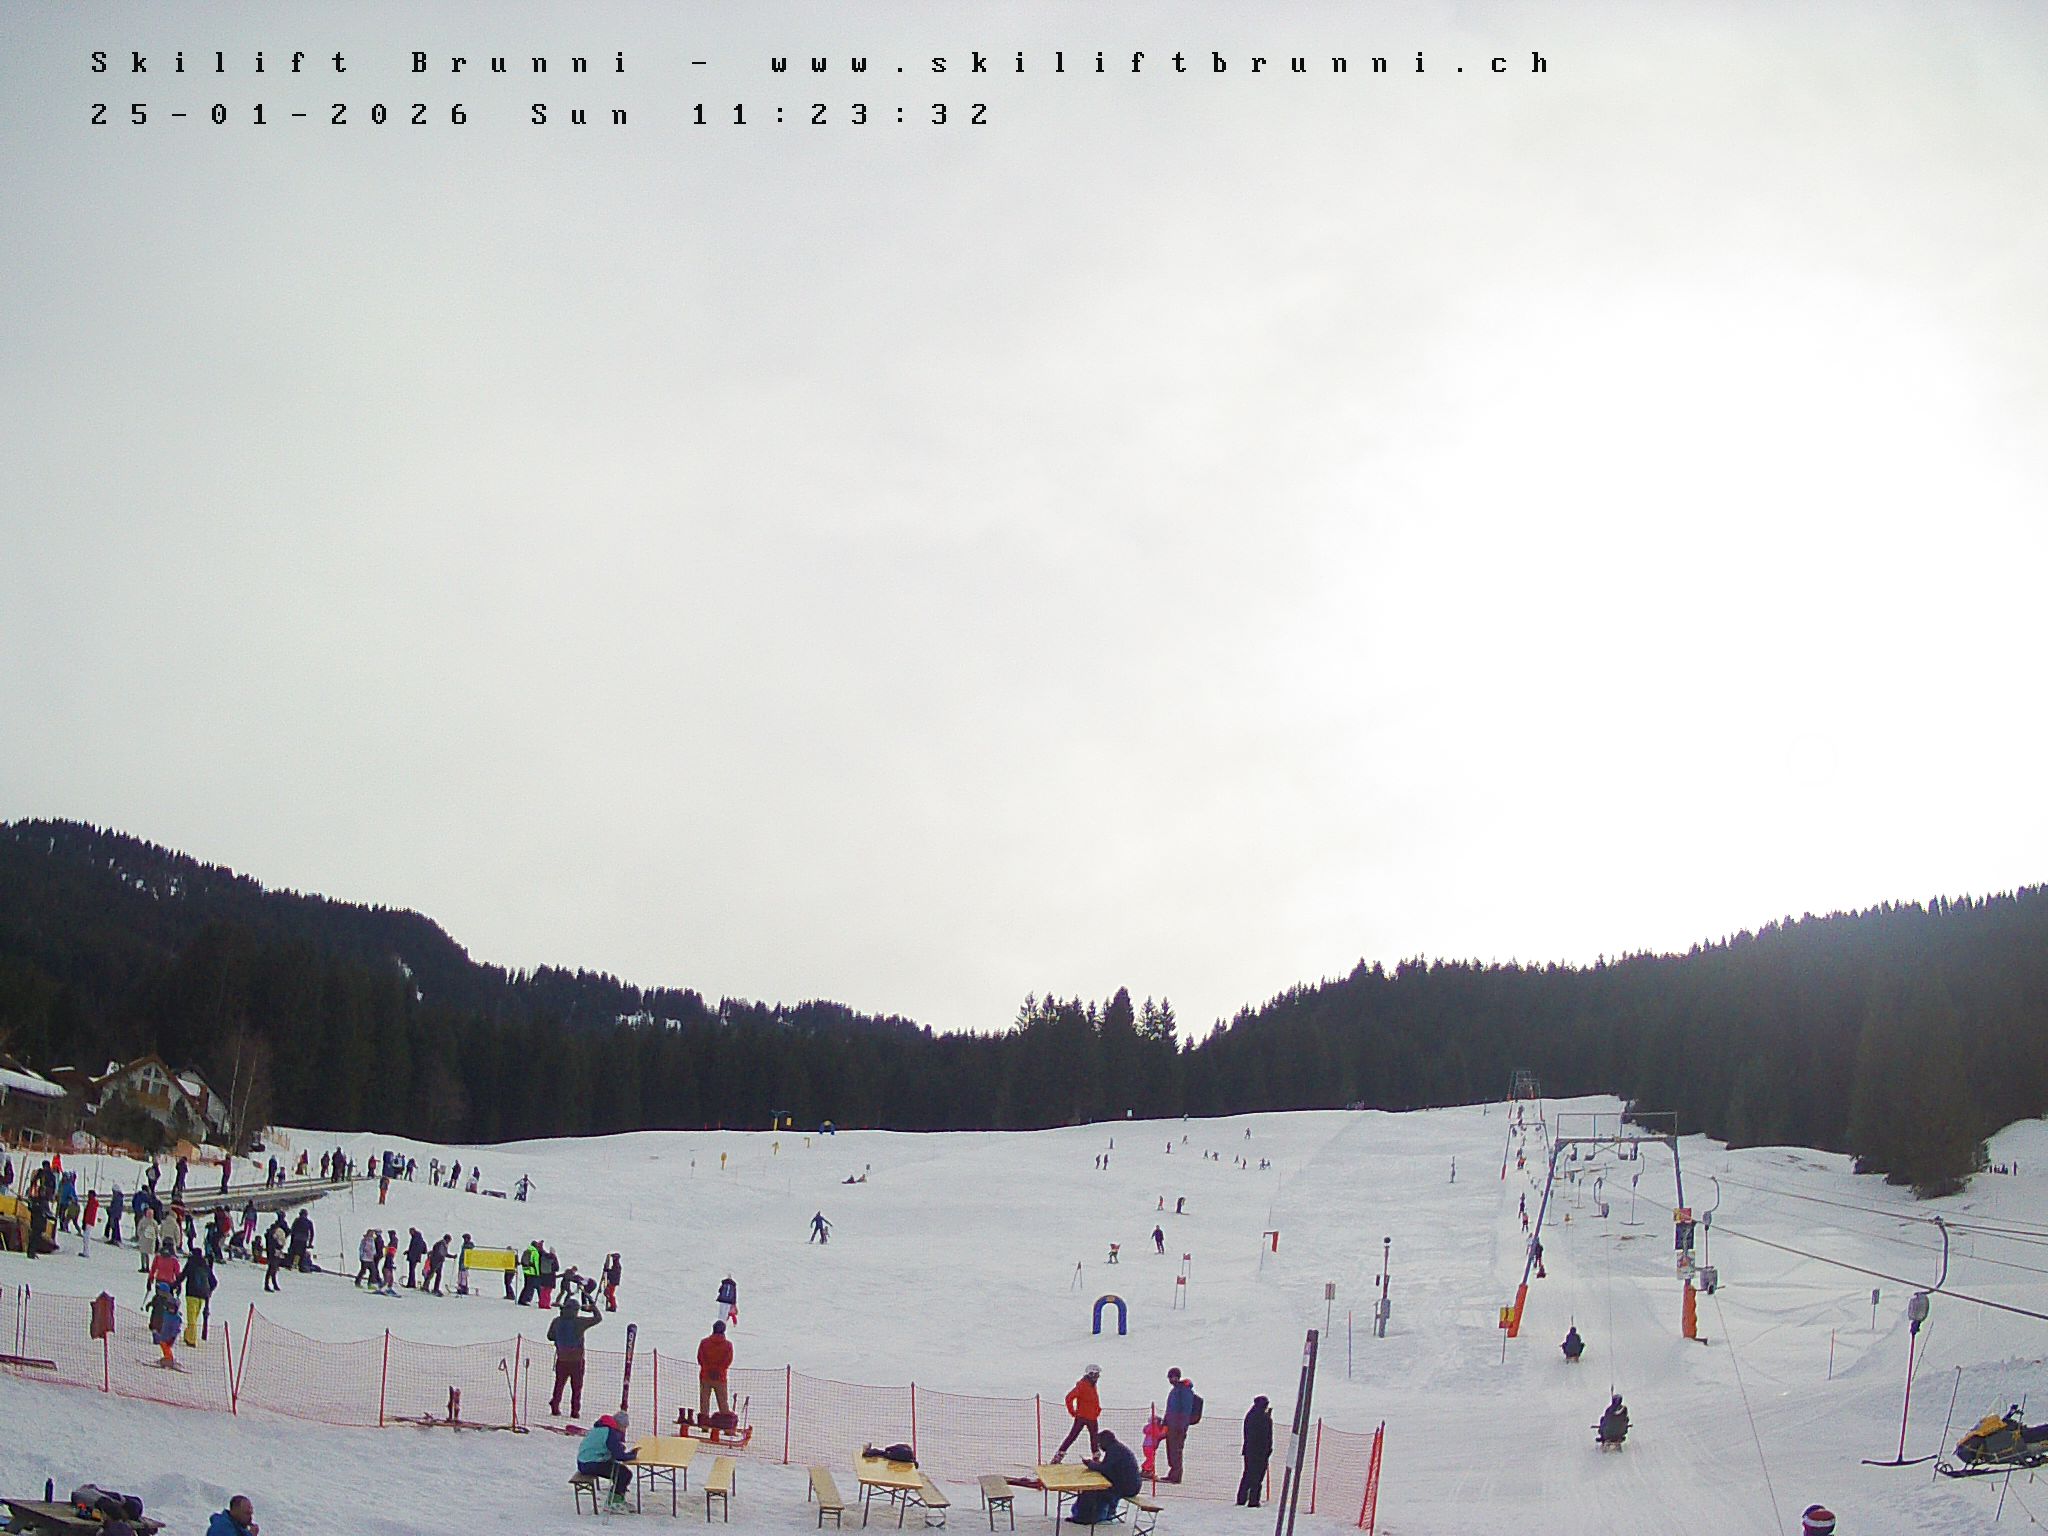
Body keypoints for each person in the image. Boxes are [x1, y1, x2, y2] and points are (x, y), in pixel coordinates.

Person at [548, 1292, 605, 1417]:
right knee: (576, 1387)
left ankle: (555, 1405)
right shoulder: (579, 1322)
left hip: (562, 1359)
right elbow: (598, 1318)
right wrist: (593, 1308)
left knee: (559, 1384)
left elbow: (550, 1336)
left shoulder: (557, 1321)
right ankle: (575, 1411)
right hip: (577, 1360)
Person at [1069, 1430, 1141, 1524]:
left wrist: (1091, 1465)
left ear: (1105, 1441)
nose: (1100, 1446)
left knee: (1092, 1490)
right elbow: (1108, 1467)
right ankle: (1093, 1514)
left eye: (1100, 1443)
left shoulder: (1114, 1451)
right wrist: (1095, 1464)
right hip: (1129, 1485)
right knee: (1096, 1490)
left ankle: (1085, 1517)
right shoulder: (1116, 1448)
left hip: (1128, 1487)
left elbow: (1105, 1469)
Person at [577, 1411, 638, 1511]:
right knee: (624, 1474)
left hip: (584, 1461)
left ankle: (617, 1497)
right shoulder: (610, 1432)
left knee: (620, 1471)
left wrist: (621, 1449)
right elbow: (618, 1456)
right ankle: (614, 1502)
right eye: (624, 1427)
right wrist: (632, 1455)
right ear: (618, 1424)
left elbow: (611, 1447)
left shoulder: (603, 1427)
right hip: (591, 1463)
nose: (624, 1430)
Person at [1051, 1365, 1102, 1462]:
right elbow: (1069, 1398)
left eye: (1098, 1375)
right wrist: (1072, 1412)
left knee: (1094, 1438)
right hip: (1081, 1417)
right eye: (1095, 1375)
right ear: (1090, 1375)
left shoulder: (1092, 1385)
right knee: (1073, 1436)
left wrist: (1097, 1410)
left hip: (1092, 1417)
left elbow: (1094, 1399)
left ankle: (1096, 1458)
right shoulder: (1082, 1385)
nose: (1097, 1378)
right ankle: (1058, 1456)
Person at [1163, 1367, 1200, 1482]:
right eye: (1170, 1377)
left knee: (1176, 1451)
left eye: (1173, 1377)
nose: (1171, 1380)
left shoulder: (1184, 1390)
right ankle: (1172, 1473)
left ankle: (1176, 1476)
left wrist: (1181, 1426)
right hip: (1171, 1425)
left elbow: (1185, 1410)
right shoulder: (1175, 1390)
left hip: (1178, 1427)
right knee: (1171, 1450)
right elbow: (1170, 1409)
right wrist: (1165, 1422)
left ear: (1178, 1377)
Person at [1238, 1396, 1273, 1506]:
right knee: (1257, 1477)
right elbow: (1266, 1436)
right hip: (1260, 1452)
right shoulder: (1263, 1418)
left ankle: (1241, 1498)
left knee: (1248, 1474)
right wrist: (1268, 1450)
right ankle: (1253, 1500)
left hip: (1249, 1450)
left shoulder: (1250, 1415)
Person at [697, 1320, 734, 1422]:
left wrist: (708, 1369)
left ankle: (704, 1424)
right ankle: (726, 1425)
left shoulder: (704, 1343)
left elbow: (700, 1358)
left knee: (704, 1402)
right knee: (723, 1403)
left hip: (705, 1376)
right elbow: (727, 1361)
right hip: (720, 1378)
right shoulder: (728, 1345)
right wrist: (718, 1371)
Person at [182, 1245, 216, 1346]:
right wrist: (208, 1291)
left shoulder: (191, 1264)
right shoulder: (205, 1265)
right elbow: (214, 1282)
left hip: (191, 1294)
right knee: (194, 1317)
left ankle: (191, 1340)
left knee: (191, 1318)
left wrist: (173, 1286)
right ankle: (187, 1335)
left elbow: (182, 1276)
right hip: (202, 1296)